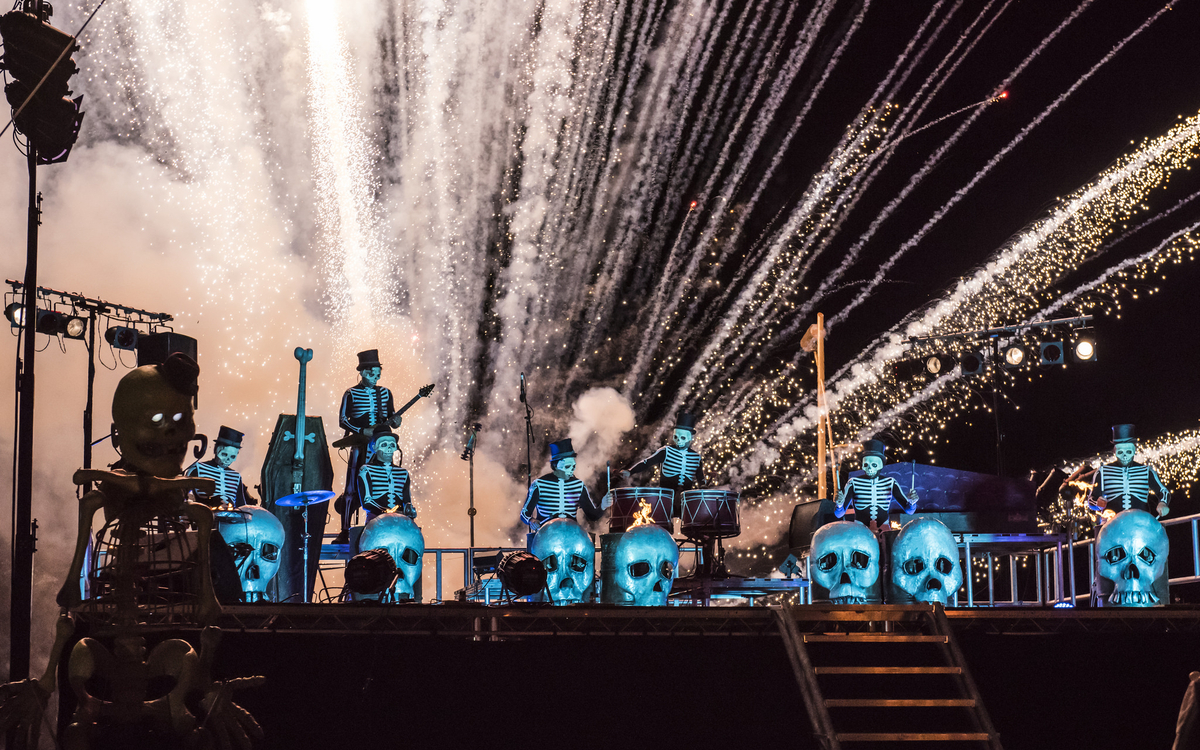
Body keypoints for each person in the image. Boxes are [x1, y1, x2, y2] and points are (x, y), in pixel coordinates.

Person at [334, 349, 399, 543]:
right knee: (352, 487)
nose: (375, 377)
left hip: (381, 447)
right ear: (362, 372)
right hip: (360, 446)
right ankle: (345, 530)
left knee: (384, 483)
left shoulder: (386, 393)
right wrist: (362, 431)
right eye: (371, 372)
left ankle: (380, 525)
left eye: (377, 372)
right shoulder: (351, 393)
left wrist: (396, 422)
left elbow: (392, 419)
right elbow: (343, 420)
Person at [621, 412, 705, 516]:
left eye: (683, 438)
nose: (678, 441)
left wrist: (704, 484)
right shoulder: (666, 451)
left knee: (688, 525)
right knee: (665, 524)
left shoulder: (696, 457)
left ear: (691, 437)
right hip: (666, 499)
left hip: (685, 501)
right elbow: (647, 462)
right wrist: (630, 471)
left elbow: (700, 477)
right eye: (676, 437)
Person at [834, 439, 918, 532]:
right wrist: (839, 505)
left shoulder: (890, 482)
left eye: (874, 464)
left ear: (881, 465)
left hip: (884, 530)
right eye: (866, 464)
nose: (869, 468)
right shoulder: (853, 482)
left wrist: (912, 503)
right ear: (862, 465)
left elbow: (909, 511)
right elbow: (839, 514)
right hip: (860, 531)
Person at [520, 439, 606, 530]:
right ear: (556, 465)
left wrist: (603, 506)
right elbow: (524, 513)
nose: (572, 470)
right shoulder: (539, 484)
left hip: (571, 534)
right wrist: (531, 520)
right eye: (567, 466)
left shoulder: (578, 485)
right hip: (546, 536)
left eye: (573, 466)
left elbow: (592, 515)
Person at [1088, 424, 1170, 517]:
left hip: (1141, 522)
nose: (1124, 456)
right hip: (1112, 523)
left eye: (1128, 452)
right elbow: (1091, 500)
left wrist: (1163, 503)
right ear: (1114, 452)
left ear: (1134, 451)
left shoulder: (1146, 471)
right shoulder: (1103, 471)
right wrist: (1097, 503)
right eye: (1120, 452)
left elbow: (1163, 491)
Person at [185, 425, 256, 508]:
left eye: (232, 457)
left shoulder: (236, 477)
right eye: (224, 454)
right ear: (215, 449)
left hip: (231, 519)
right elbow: (184, 498)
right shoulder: (197, 469)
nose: (227, 460)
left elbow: (241, 506)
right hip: (203, 519)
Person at [358, 429, 415, 522]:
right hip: (376, 520)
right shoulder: (366, 470)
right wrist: (387, 512)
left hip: (399, 520)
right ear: (374, 447)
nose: (389, 449)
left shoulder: (403, 473)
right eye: (383, 445)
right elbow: (366, 501)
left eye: (392, 445)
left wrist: (409, 510)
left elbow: (407, 500)